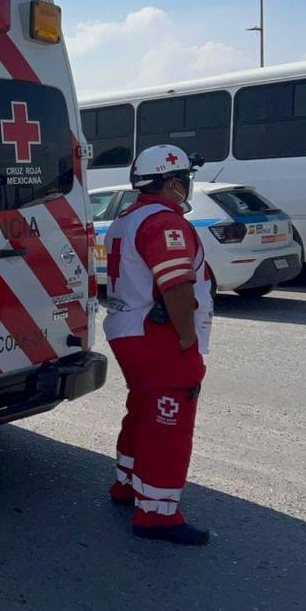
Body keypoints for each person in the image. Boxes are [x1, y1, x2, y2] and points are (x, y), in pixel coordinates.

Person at [102, 144, 214, 546]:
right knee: (169, 425)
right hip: (157, 337)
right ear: (171, 182)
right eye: (185, 179)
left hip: (128, 330)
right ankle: (157, 514)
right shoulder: (164, 223)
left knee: (143, 412)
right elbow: (177, 286)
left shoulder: (127, 218)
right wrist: (187, 339)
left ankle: (127, 485)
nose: (187, 186)